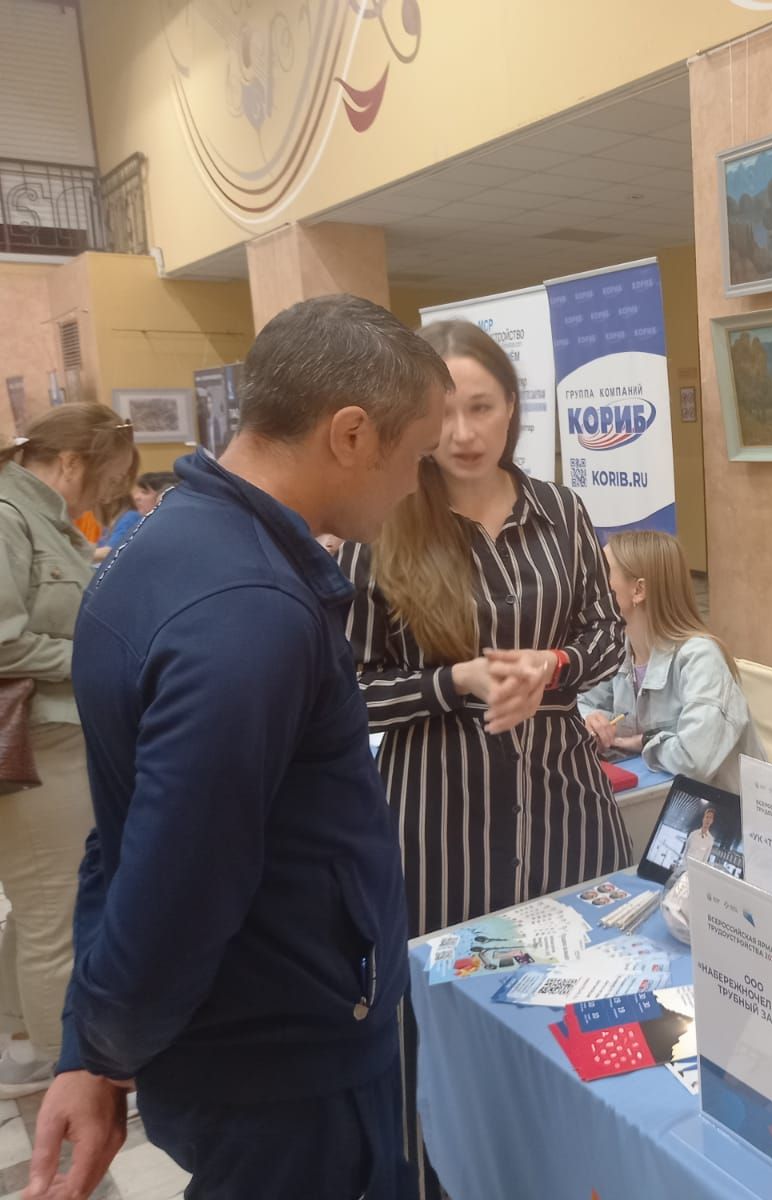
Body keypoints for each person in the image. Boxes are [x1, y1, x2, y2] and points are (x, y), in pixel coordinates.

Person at [25, 295, 459, 1200]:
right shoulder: (249, 616)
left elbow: (122, 833)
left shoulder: (157, 548)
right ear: (350, 434)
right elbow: (173, 884)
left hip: (254, 1047)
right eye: (415, 454)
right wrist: (103, 1051)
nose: (416, 482)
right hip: (286, 1069)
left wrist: (90, 1046)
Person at [338, 319, 627, 1197]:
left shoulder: (562, 512)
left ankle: (582, 1170)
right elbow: (343, 693)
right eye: (446, 412)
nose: (463, 434)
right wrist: (454, 681)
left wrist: (556, 667)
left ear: (513, 409)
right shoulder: (381, 527)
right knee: (448, 1023)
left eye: (483, 407)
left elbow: (607, 637)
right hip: (439, 820)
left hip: (565, 805)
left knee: (582, 999)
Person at [0, 405, 134, 1100]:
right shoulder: (8, 513)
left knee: (35, 905)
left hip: (55, 741)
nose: (100, 498)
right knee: (56, 912)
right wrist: (96, 655)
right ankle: (70, 1078)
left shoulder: (39, 516)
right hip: (38, 748)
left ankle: (20, 1040)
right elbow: (5, 637)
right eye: (105, 481)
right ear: (75, 462)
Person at [579, 529, 765, 793]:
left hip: (721, 817)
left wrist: (643, 742)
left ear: (639, 590)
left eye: (604, 573)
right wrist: (592, 722)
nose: (592, 584)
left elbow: (694, 760)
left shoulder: (701, 658)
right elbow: (580, 705)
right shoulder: (618, 647)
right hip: (651, 799)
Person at [92, 471, 175, 564]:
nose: (136, 497)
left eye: (145, 492)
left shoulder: (134, 518)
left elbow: (111, 551)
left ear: (163, 496)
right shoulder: (135, 517)